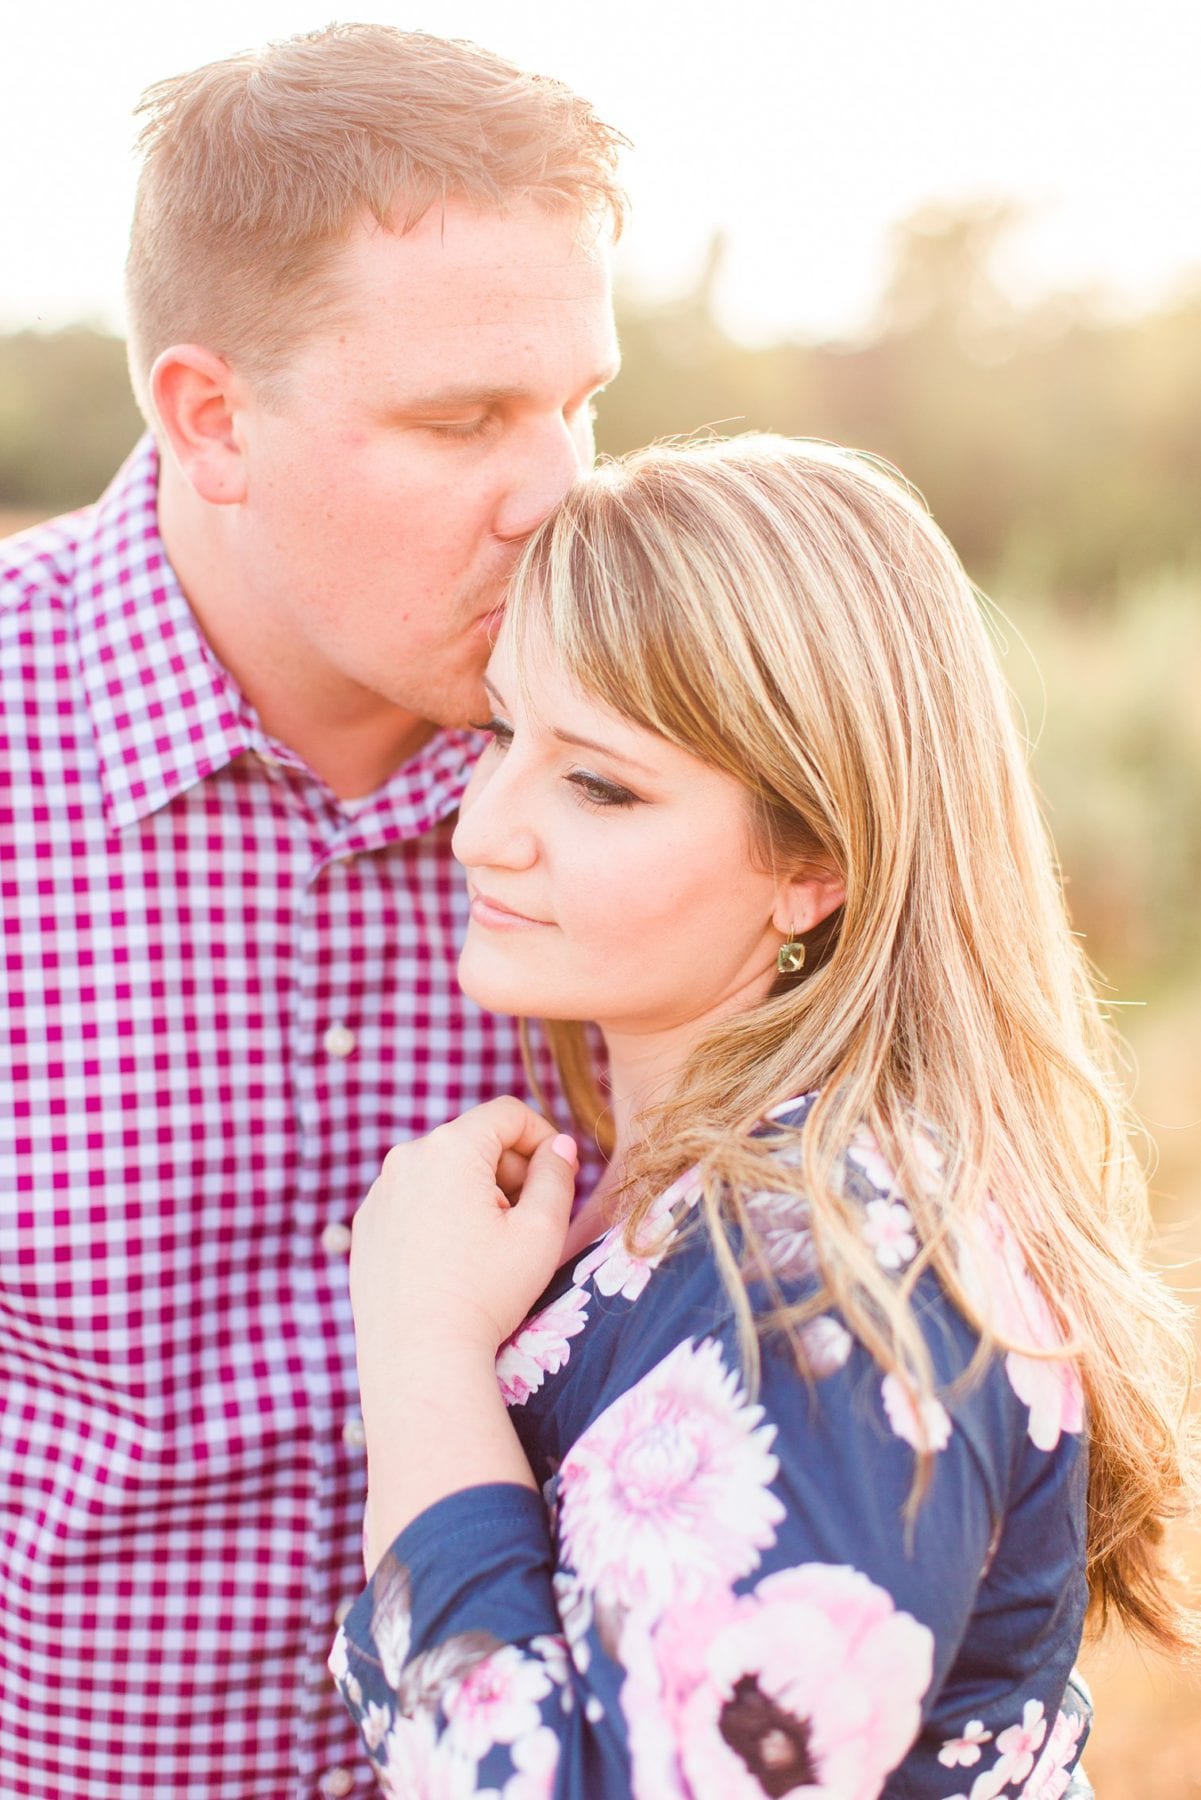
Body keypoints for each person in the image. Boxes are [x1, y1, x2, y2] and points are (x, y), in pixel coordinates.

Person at [331, 435, 1197, 1798]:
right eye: (503, 733)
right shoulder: (687, 1189)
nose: (477, 828)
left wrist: (419, 1349)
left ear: (812, 866)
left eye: (599, 782)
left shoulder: (838, 1278)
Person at [0, 23, 622, 1799]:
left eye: (580, 401)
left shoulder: (652, 775)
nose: (556, 494)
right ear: (212, 420)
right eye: (460, 421)